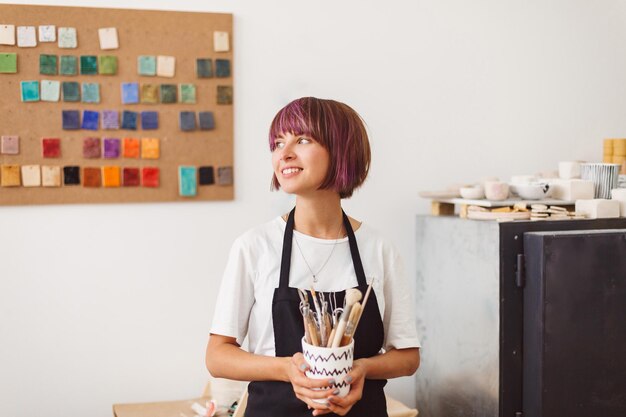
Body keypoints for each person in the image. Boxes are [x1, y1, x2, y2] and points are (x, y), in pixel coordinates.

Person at [206, 97, 420, 417]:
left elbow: (408, 357)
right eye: (278, 143)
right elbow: (217, 356)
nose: (285, 152)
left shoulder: (378, 249)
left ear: (342, 150)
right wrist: (287, 370)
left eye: (302, 139)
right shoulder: (254, 247)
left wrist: (361, 369)